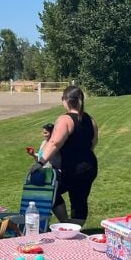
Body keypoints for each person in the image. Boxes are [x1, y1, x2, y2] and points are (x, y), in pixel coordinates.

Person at [33, 85, 98, 226]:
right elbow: (93, 143)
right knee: (79, 199)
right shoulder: (90, 120)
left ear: (66, 100)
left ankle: (66, 225)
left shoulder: (65, 119)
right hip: (89, 166)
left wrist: (40, 163)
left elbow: (55, 143)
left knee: (48, 188)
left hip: (73, 168)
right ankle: (74, 229)